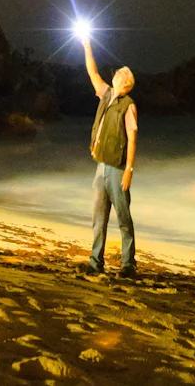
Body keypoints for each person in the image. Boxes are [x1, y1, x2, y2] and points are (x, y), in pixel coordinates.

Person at [79, 35, 139, 278]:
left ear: (125, 83)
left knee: (123, 217)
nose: (115, 75)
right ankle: (96, 262)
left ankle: (128, 265)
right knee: (99, 216)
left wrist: (129, 171)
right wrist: (87, 46)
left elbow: (133, 139)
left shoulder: (128, 105)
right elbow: (92, 72)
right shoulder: (106, 95)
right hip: (101, 166)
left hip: (117, 168)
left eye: (120, 75)